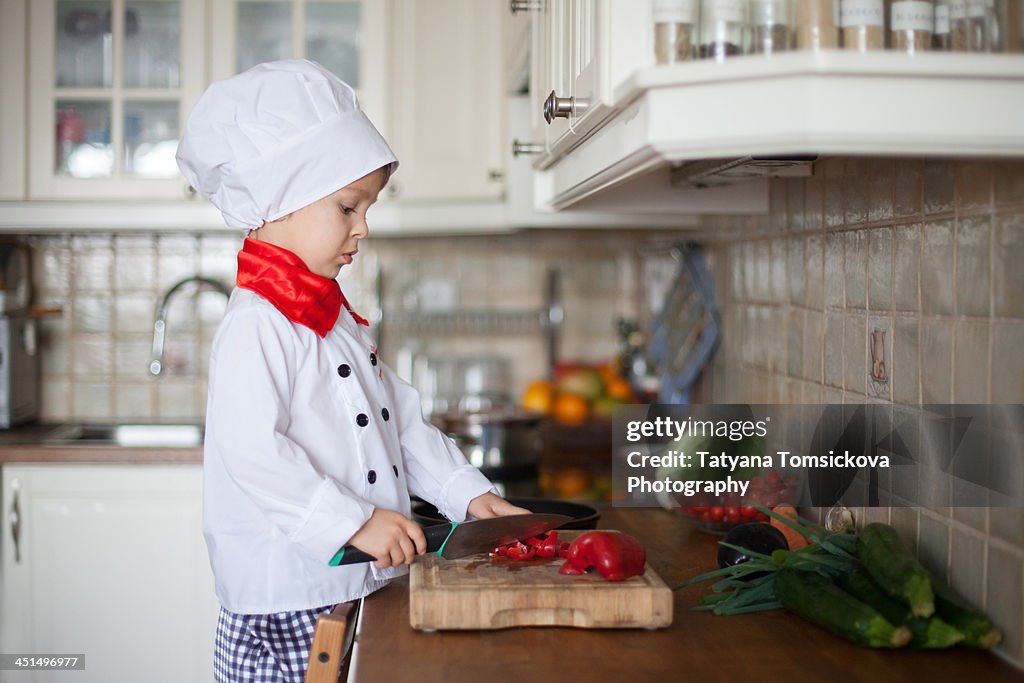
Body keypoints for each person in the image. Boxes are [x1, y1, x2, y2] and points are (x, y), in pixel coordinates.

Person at [176, 59, 527, 682]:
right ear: (277, 199)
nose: (363, 227)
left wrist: (466, 494)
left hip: (352, 586)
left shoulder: (333, 315)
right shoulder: (257, 323)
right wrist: (353, 522)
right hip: (287, 596)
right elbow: (250, 452)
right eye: (347, 206)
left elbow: (402, 424)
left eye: (366, 207)